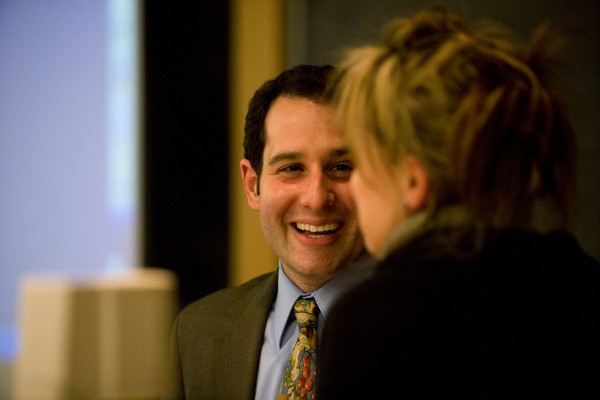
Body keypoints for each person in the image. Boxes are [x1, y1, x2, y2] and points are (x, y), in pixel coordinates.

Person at [317, 7, 600, 399]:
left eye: (359, 164)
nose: (351, 188)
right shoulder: (581, 286)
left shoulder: (372, 320)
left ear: (413, 181)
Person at [161, 64, 373, 400]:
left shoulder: (437, 332)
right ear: (253, 185)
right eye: (291, 168)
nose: (316, 198)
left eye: (341, 167)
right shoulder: (196, 332)